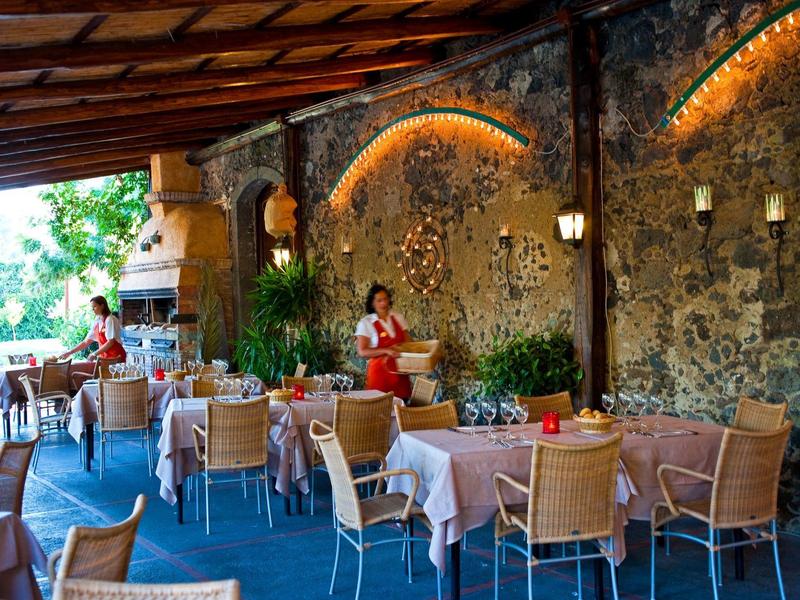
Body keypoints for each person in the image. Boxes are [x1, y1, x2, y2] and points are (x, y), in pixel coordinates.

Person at [355, 284, 411, 399]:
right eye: (379, 300)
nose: (384, 303)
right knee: (379, 413)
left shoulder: (398, 317)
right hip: (380, 378)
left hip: (401, 377)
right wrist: (387, 350)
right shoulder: (366, 323)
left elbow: (408, 343)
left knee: (402, 411)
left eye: (385, 299)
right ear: (372, 303)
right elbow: (362, 351)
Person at [60, 296, 126, 363]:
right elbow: (86, 342)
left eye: (94, 307)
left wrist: (94, 354)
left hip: (116, 357)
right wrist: (69, 352)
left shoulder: (110, 319)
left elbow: (110, 342)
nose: (93, 309)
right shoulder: (97, 321)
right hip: (104, 358)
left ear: (102, 306)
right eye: (92, 307)